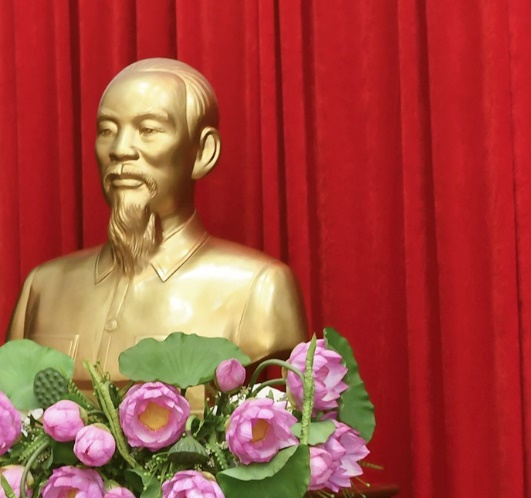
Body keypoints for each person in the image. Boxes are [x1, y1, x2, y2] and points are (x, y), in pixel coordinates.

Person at [6, 58, 306, 379]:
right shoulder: (42, 289)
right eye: (107, 130)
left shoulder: (258, 289)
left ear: (202, 152)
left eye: (148, 130)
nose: (120, 149)